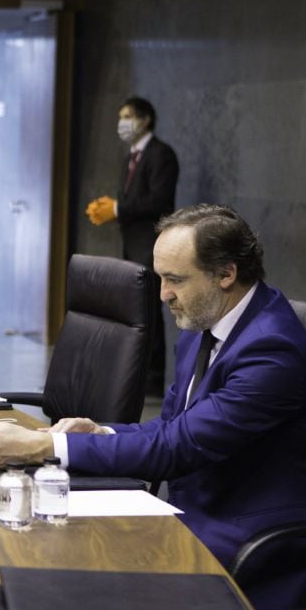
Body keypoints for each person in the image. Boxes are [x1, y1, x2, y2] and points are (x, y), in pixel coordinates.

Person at [0, 204, 306, 610]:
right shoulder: (204, 325)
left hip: (258, 545)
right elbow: (171, 427)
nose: (163, 294)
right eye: (160, 278)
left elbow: (177, 446)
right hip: (199, 511)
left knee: (80, 568)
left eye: (175, 280)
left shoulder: (272, 351)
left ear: (226, 274)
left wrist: (45, 446)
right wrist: (100, 435)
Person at [86, 96, 178, 393]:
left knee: (151, 311)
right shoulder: (131, 157)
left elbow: (159, 201)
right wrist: (112, 209)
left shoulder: (161, 154)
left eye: (127, 116)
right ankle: (136, 376)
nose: (121, 123)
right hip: (132, 244)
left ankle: (152, 381)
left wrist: (117, 209)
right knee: (137, 310)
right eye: (120, 116)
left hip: (152, 245)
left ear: (145, 119)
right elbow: (129, 201)